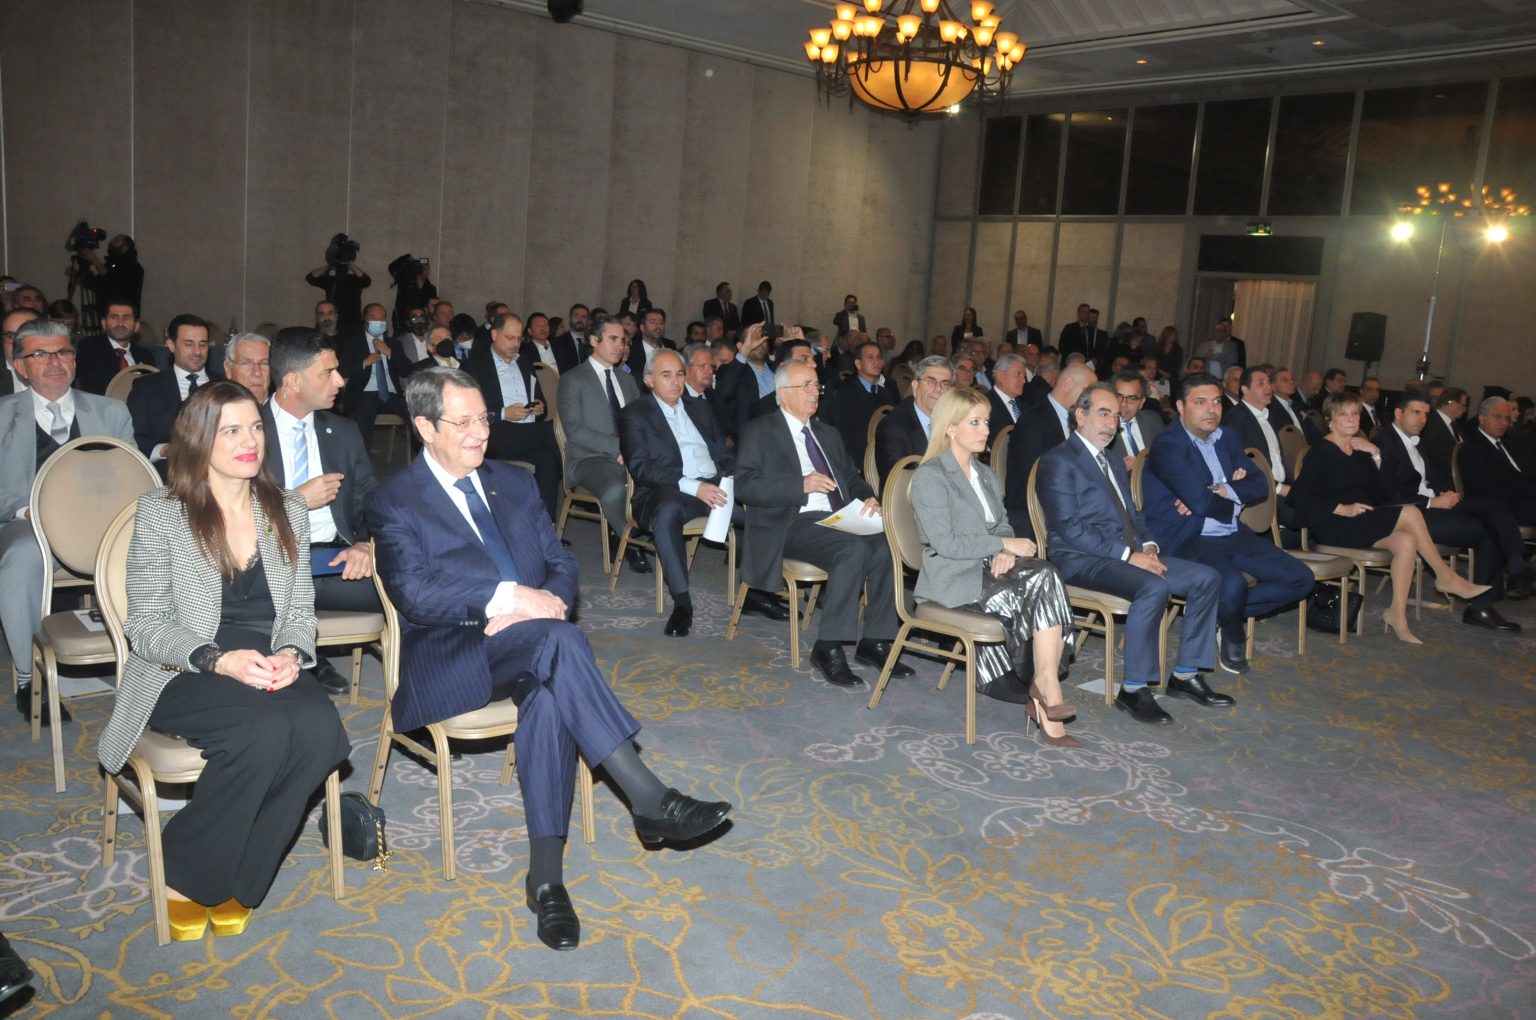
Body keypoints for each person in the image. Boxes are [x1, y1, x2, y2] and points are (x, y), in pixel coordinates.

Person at [369, 367, 731, 951]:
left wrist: (549, 604)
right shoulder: (394, 498)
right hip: (452, 652)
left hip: (533, 642)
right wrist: (511, 598)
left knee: (548, 695)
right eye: (463, 422)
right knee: (558, 645)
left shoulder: (514, 483)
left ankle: (546, 880)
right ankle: (648, 798)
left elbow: (561, 560)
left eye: (484, 418)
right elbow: (415, 594)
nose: (480, 432)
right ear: (425, 428)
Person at [97, 381, 353, 941]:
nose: (249, 441)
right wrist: (218, 659)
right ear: (199, 439)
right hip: (186, 663)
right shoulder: (163, 513)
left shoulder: (287, 508)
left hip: (266, 655)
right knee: (261, 733)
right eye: (231, 430)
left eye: (255, 427)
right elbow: (146, 624)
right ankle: (189, 872)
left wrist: (291, 654)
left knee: (321, 733)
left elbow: (299, 610)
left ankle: (241, 871)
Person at [1036, 383, 1224, 725]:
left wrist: (1148, 545)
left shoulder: (1111, 458)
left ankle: (1185, 675)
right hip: (1079, 559)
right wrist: (1128, 555)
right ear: (1080, 416)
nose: (1111, 423)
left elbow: (1134, 515)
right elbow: (1071, 529)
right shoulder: (1058, 461)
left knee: (1206, 578)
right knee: (1153, 587)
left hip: (1125, 553)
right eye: (1103, 414)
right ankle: (1134, 689)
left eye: (1116, 417)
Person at [909, 388, 1078, 745]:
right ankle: (1045, 688)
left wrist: (1007, 552)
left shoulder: (985, 473)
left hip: (990, 568)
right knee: (1040, 583)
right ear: (950, 428)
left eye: (986, 421)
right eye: (975, 422)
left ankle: (1045, 681)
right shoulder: (930, 476)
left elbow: (1001, 525)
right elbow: (946, 544)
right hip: (953, 575)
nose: (986, 430)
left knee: (1045, 573)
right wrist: (1001, 545)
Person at [736, 358, 910, 689]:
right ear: (783, 394)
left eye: (816, 386)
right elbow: (744, 486)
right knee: (852, 549)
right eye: (806, 386)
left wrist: (869, 498)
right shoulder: (761, 430)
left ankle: (875, 639)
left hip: (836, 517)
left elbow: (850, 478)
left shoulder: (826, 432)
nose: (815, 392)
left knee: (886, 544)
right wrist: (799, 485)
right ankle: (828, 646)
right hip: (790, 520)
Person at [1, 319, 136, 722]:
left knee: (160, 546)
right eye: (41, 354)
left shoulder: (111, 412)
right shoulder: (3, 417)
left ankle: (153, 664)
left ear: (74, 359)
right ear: (20, 365)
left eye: (63, 352)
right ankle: (31, 677)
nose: (55, 362)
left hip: (103, 527)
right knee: (22, 556)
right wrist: (27, 509)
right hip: (32, 527)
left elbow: (132, 477)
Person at [1140, 374, 1314, 676]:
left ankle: (1219, 614)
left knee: (1300, 579)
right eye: (1201, 402)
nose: (1211, 409)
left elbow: (1261, 484)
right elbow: (1201, 503)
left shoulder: (1228, 437)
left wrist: (1218, 489)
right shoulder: (1168, 445)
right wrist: (1229, 492)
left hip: (1232, 532)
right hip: (1188, 537)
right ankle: (1231, 626)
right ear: (1180, 406)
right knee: (1232, 585)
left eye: (1217, 401)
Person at [1293, 391, 1489, 644]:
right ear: (1330, 419)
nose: (1352, 419)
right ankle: (1445, 576)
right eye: (1344, 414)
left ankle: (1397, 613)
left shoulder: (1360, 450)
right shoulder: (1321, 451)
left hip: (1362, 521)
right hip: (1335, 525)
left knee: (1407, 541)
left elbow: (1383, 494)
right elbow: (1299, 496)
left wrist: (1375, 453)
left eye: (1355, 413)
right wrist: (1340, 508)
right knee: (1410, 512)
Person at [1377, 393, 1528, 627]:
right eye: (1416, 413)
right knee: (1484, 531)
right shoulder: (1383, 443)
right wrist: (1431, 502)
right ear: (1398, 413)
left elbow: (1430, 480)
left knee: (1493, 506)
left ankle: (1512, 574)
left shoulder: (1418, 441)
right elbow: (1385, 494)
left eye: (1425, 414)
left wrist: (1445, 494)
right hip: (1412, 513)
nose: (1422, 419)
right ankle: (1485, 603)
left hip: (1433, 504)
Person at [619, 349, 735, 637]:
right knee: (667, 511)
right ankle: (682, 603)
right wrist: (694, 486)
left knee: (764, 502)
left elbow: (722, 454)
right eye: (666, 375)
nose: (675, 382)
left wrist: (736, 479)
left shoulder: (700, 408)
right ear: (649, 380)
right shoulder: (635, 414)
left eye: (680, 374)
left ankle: (758, 590)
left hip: (714, 485)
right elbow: (641, 468)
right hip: (668, 490)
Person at [557, 319, 650, 575]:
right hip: (588, 459)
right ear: (593, 340)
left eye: (623, 340)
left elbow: (640, 423)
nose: (621, 346)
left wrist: (635, 450)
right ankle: (633, 542)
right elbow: (574, 430)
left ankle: (635, 532)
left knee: (661, 478)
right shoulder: (573, 379)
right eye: (613, 339)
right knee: (616, 487)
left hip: (626, 456)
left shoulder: (627, 380)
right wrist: (620, 448)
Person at [463, 313, 562, 522]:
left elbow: (541, 404)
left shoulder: (525, 363)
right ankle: (577, 464)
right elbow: (467, 412)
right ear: (494, 335)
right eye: (509, 338)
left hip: (529, 434)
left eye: (519, 339)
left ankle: (546, 524)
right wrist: (503, 413)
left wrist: (538, 408)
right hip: (494, 434)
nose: (515, 344)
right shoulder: (476, 366)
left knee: (547, 457)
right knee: (550, 431)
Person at [1004, 364, 1098, 538]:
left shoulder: (1080, 419)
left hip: (1073, 502)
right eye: (1088, 390)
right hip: (1036, 510)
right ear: (1069, 384)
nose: (1092, 398)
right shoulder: (1033, 421)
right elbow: (1035, 478)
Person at [127, 314, 222, 463]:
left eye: (203, 344)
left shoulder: (222, 386)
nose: (197, 351)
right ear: (171, 345)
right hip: (168, 467)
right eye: (189, 344)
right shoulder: (147, 388)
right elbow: (132, 436)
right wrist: (165, 450)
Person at [874, 356, 953, 490]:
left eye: (944, 383)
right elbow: (899, 483)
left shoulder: (955, 421)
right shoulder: (893, 428)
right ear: (915, 386)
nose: (938, 389)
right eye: (931, 381)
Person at [339, 303, 409, 450]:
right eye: (374, 317)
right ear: (365, 319)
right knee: (364, 415)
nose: (378, 321)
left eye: (382, 318)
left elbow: (407, 371)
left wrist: (389, 352)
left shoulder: (394, 344)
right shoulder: (352, 342)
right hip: (364, 393)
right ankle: (363, 461)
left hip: (390, 394)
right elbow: (343, 370)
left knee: (416, 414)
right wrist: (364, 363)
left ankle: (424, 454)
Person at [1458, 396, 1536, 528]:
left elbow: (1527, 471)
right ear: (1482, 418)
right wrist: (1529, 490)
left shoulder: (1509, 445)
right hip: (1503, 507)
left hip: (1523, 500)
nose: (1504, 423)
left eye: (1507, 418)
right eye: (1497, 417)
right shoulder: (1473, 448)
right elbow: (1489, 487)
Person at [825, 338, 897, 476]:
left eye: (878, 357)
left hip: (885, 456)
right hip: (859, 461)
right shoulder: (845, 393)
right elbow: (843, 434)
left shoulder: (886, 393)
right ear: (858, 363)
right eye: (870, 357)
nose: (876, 362)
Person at [75, 301, 155, 395]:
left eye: (126, 318)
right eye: (114, 317)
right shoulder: (90, 348)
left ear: (136, 326)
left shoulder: (145, 355)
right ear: (104, 323)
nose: (120, 323)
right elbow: (93, 387)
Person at [1106, 368, 1164, 468]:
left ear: (1141, 402)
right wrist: (1118, 470)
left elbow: (1166, 455)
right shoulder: (1101, 428)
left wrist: (1142, 464)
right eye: (1119, 396)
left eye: (1132, 398)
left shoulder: (1153, 420)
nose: (1123, 404)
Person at [79, 234, 144, 322]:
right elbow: (95, 283)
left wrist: (96, 261)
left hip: (123, 318)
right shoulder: (111, 264)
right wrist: (77, 274)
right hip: (107, 316)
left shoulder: (133, 268)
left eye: (116, 240)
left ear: (124, 248)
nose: (111, 242)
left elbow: (113, 280)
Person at [305, 256, 372, 330]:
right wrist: (329, 266)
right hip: (332, 321)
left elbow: (367, 281)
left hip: (353, 321)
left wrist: (350, 265)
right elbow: (311, 278)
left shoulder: (354, 279)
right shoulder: (331, 280)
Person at [224, 332, 272, 403]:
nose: (257, 373)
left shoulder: (284, 408)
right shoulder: (216, 408)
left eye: (264, 364)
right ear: (228, 368)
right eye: (246, 363)